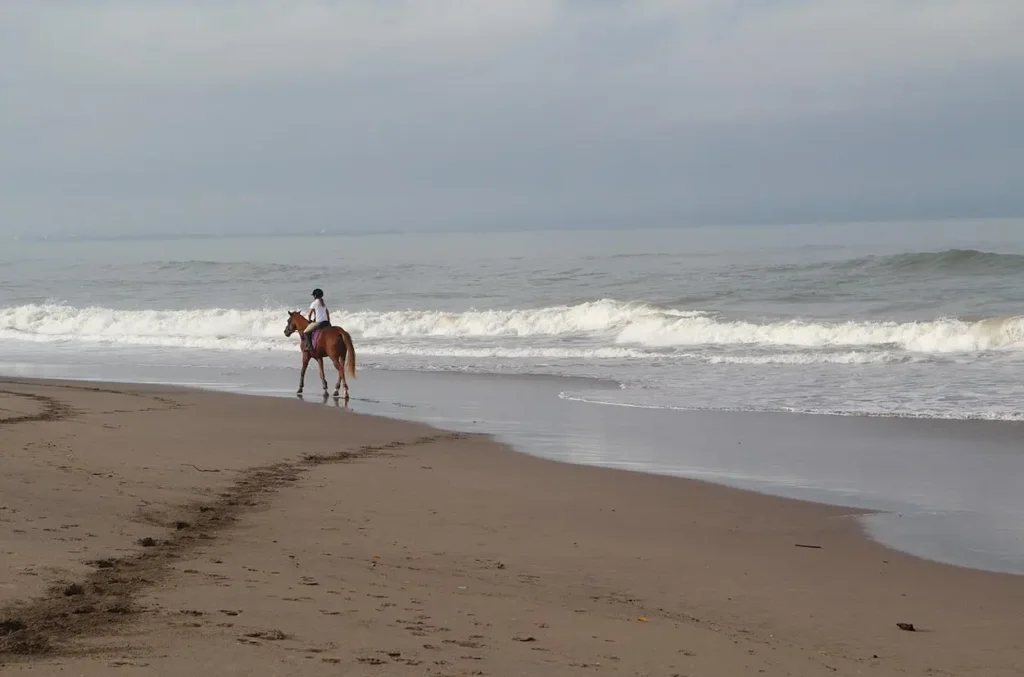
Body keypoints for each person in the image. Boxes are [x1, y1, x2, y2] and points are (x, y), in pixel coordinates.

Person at [304, 288, 331, 352]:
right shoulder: (323, 304)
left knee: (306, 332)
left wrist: (309, 320)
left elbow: (309, 314)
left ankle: (309, 347)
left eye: (313, 295)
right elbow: (327, 313)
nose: (313, 296)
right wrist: (329, 321)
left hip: (319, 323)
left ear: (315, 296)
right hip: (326, 322)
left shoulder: (314, 303)